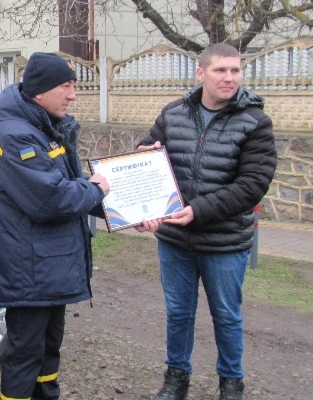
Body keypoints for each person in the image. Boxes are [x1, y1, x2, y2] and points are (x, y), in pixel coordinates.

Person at [136, 43, 277, 400]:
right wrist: (142, 155)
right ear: (201, 73)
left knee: (226, 316)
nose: (229, 78)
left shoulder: (255, 122)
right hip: (175, 240)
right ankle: (176, 379)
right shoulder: (173, 113)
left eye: (235, 70)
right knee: (178, 314)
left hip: (225, 242)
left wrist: (199, 210)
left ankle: (231, 383)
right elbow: (148, 148)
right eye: (220, 70)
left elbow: (253, 184)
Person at [0, 52, 110, 400]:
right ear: (40, 91)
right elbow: (51, 199)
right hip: (29, 270)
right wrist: (97, 190)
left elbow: (70, 184)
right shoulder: (14, 136)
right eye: (65, 87)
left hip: (49, 265)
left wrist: (120, 208)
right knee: (25, 355)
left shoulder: (45, 127)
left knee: (48, 349)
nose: (73, 95)